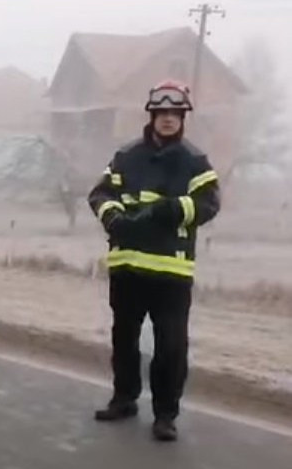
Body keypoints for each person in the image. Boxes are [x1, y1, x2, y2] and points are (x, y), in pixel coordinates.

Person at [87, 79, 221, 442]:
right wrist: (113, 217)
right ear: (152, 115)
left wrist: (172, 209)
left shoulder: (194, 161)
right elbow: (100, 193)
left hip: (171, 272)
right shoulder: (126, 156)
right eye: (162, 112)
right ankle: (124, 399)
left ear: (183, 117)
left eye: (175, 112)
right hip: (127, 267)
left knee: (171, 347)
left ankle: (165, 415)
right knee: (124, 340)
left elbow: (209, 203)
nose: (168, 118)